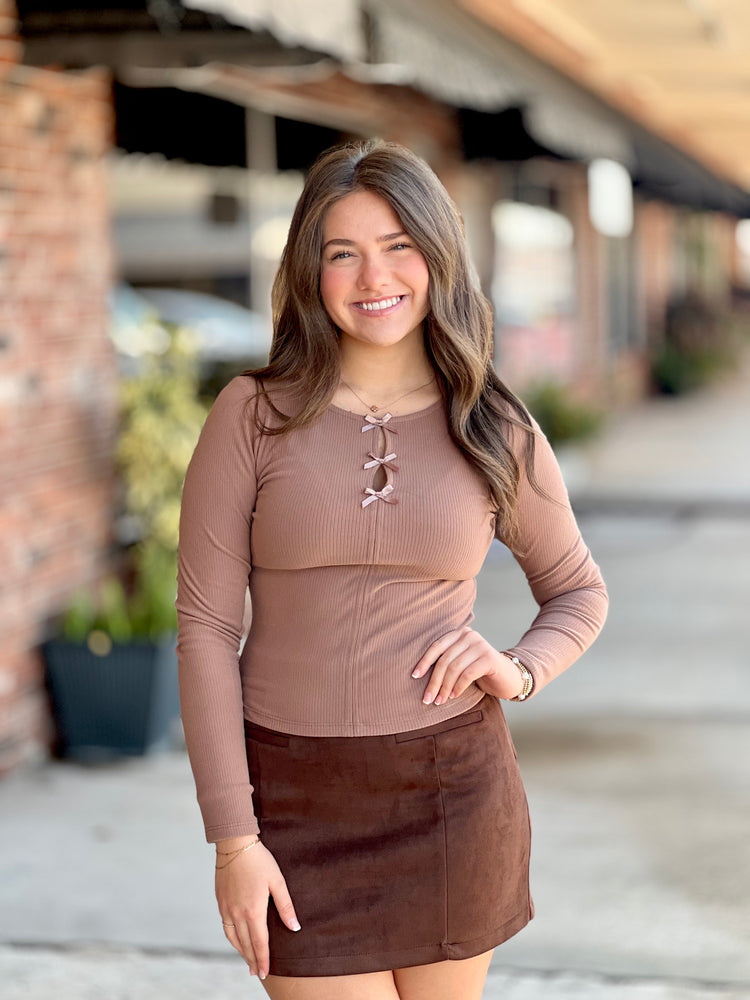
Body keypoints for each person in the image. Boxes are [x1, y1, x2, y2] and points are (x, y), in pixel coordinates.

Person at [176, 139, 608, 1000]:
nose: (374, 275)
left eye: (399, 245)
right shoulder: (251, 416)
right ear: (312, 270)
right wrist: (233, 838)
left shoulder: (493, 426)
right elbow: (205, 630)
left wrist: (518, 670)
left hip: (451, 795)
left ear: (438, 256)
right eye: (344, 252)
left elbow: (578, 591)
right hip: (293, 804)